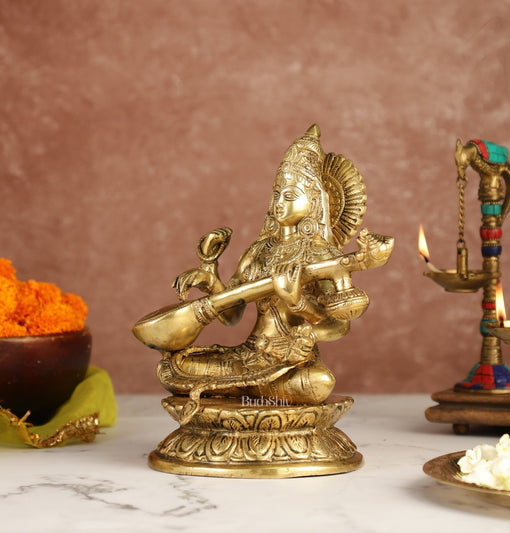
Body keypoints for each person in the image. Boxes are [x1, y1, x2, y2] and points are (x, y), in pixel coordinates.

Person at [156, 125, 367, 423]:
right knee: (172, 368)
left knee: (319, 383)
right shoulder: (259, 250)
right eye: (277, 194)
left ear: (313, 200)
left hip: (290, 362)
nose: (280, 203)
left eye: (290, 196)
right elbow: (231, 316)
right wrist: (210, 277)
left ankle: (240, 391)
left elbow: (338, 326)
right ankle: (247, 388)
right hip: (248, 356)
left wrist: (298, 303)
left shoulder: (322, 255)